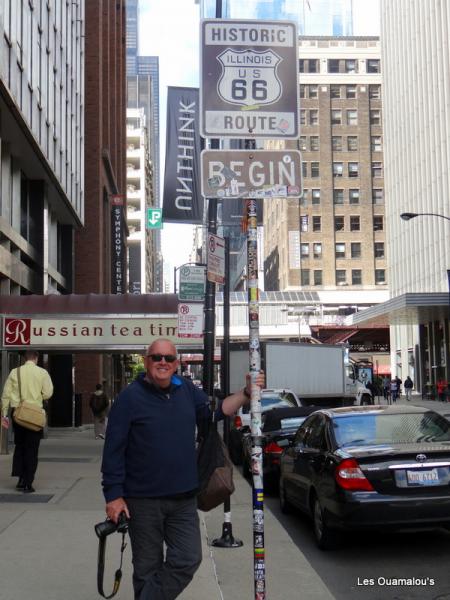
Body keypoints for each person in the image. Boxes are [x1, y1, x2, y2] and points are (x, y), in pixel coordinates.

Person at [101, 338, 265, 600]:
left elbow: (216, 412)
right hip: (143, 501)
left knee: (188, 558)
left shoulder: (186, 390)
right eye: (156, 357)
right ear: (147, 362)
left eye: (168, 358)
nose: (162, 362)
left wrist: (245, 393)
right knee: (146, 568)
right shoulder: (129, 398)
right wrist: (113, 495)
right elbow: (113, 450)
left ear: (176, 364)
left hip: (183, 499)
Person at [1, 351, 53, 493]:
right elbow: (48, 393)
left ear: (25, 358)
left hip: (18, 414)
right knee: (32, 449)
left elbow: (6, 394)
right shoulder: (42, 373)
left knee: (20, 446)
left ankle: (20, 479)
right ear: (36, 357)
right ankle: (28, 483)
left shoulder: (14, 372)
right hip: (35, 415)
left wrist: (4, 414)